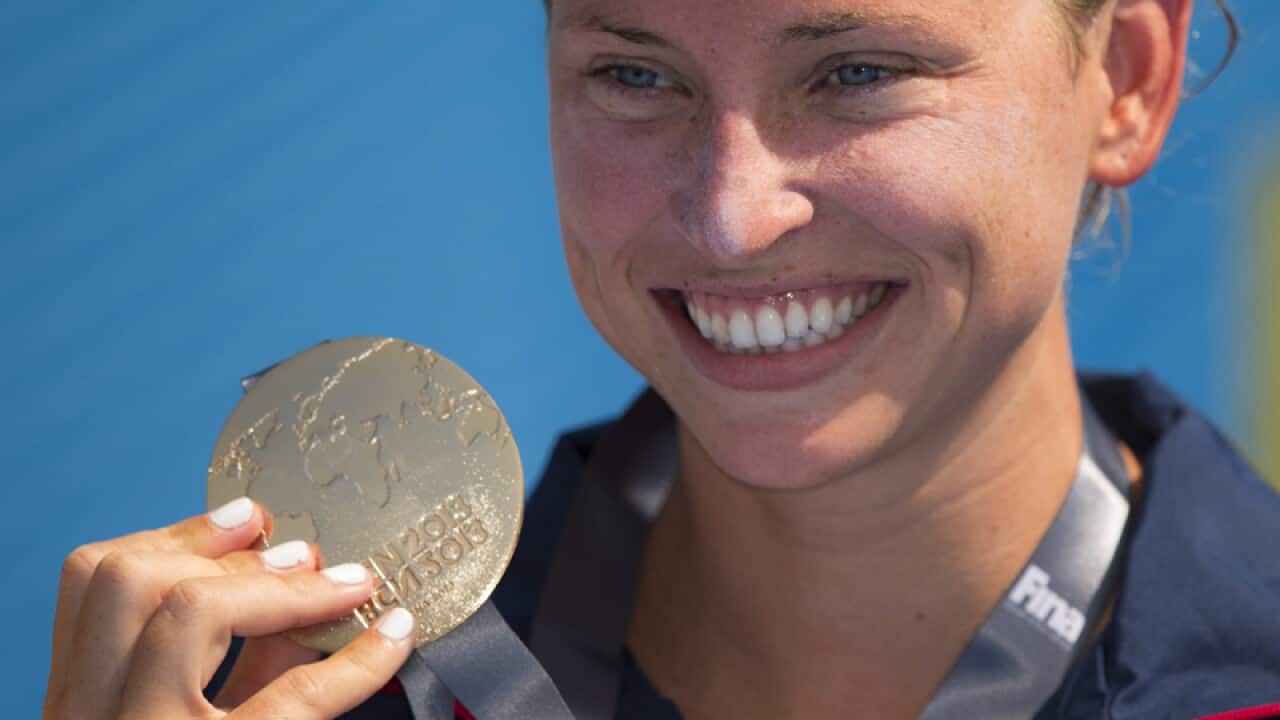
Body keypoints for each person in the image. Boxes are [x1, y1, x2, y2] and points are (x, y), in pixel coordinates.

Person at [42, 0, 1280, 719]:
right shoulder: (311, 700)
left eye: (854, 72)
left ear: (1124, 77)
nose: (730, 215)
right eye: (634, 75)